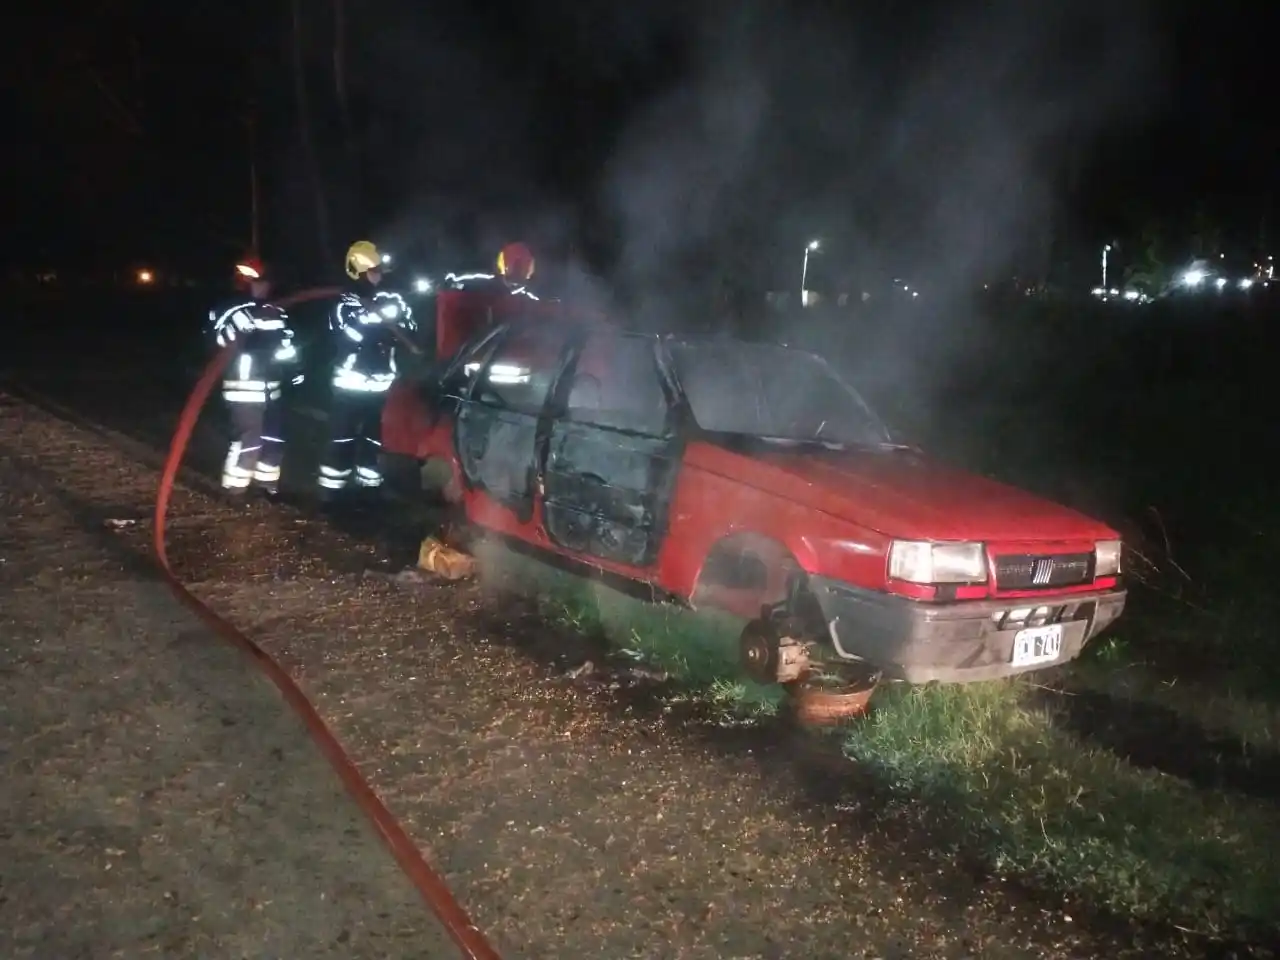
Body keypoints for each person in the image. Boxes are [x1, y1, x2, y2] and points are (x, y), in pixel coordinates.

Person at [318, 240, 421, 501]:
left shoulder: (391, 299)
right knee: (343, 438)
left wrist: (388, 322)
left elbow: (410, 327)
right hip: (350, 386)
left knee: (374, 439)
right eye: (373, 269)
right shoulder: (345, 303)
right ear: (359, 272)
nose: (378, 274)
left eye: (379, 269)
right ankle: (332, 493)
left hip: (381, 386)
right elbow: (353, 334)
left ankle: (369, 487)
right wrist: (381, 322)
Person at [208, 256, 301, 498]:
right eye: (260, 282)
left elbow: (285, 344)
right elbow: (226, 338)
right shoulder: (229, 309)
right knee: (249, 438)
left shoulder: (275, 310)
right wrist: (262, 326)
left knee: (274, 437)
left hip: (271, 385)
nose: (266, 287)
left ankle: (267, 485)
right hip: (244, 384)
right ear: (245, 282)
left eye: (267, 282)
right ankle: (235, 489)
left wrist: (293, 371)